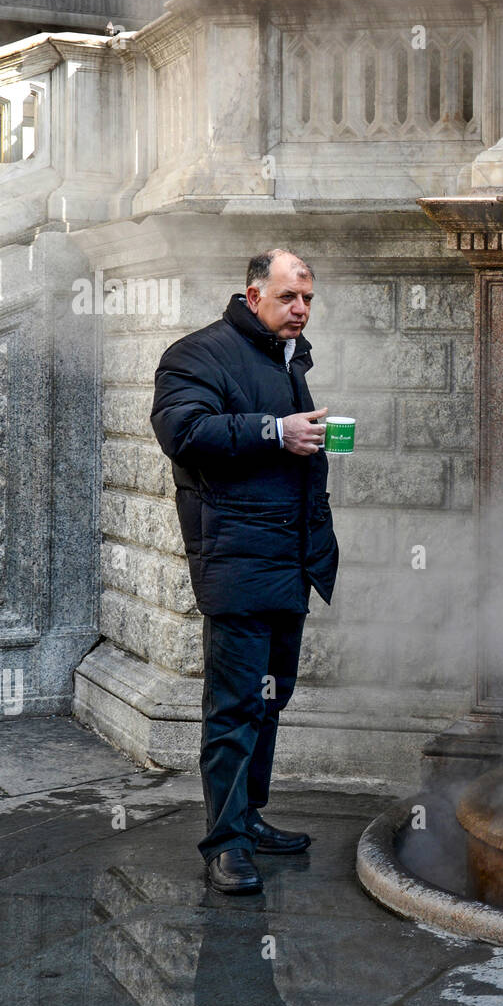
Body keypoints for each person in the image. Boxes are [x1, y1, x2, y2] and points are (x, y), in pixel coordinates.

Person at [150, 249, 339, 894]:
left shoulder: (287, 359)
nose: (301, 310)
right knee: (234, 708)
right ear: (253, 294)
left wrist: (311, 436)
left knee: (270, 698)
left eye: (308, 300)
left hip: (287, 562)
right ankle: (224, 844)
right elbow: (184, 432)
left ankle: (248, 819)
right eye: (289, 298)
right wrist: (274, 430)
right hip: (236, 562)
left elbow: (288, 447)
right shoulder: (196, 355)